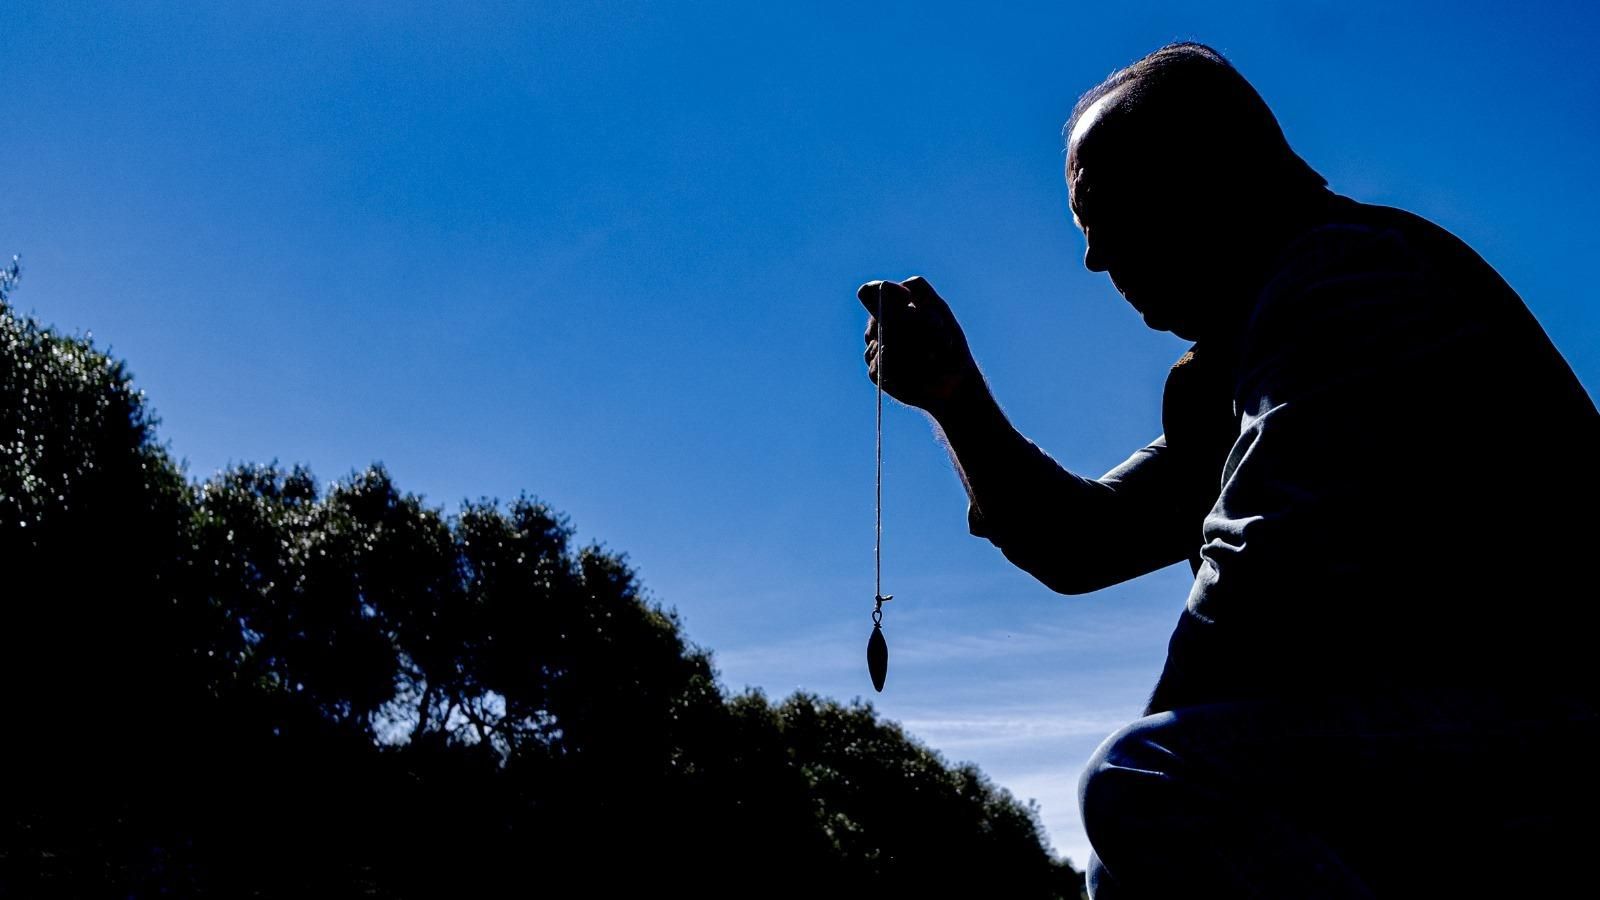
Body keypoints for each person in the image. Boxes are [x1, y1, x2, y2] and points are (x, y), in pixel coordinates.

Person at [857, 43, 1599, 898]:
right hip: (1464, 750)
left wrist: (1155, 778)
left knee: (1146, 781)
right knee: (1141, 808)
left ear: (1200, 176)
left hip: (1556, 735)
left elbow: (1258, 585)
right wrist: (955, 397)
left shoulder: (1348, 283)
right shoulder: (1241, 366)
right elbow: (1080, 542)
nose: (1093, 259)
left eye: (1102, 210)